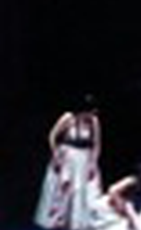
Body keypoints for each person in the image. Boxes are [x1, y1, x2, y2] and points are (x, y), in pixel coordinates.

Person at [34, 94, 104, 230]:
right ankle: (58, 222)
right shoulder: (68, 118)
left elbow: (97, 144)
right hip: (68, 158)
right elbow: (52, 136)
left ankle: (77, 223)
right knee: (64, 191)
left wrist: (93, 163)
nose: (91, 115)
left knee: (82, 192)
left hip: (84, 159)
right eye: (89, 112)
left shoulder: (94, 121)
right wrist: (56, 155)